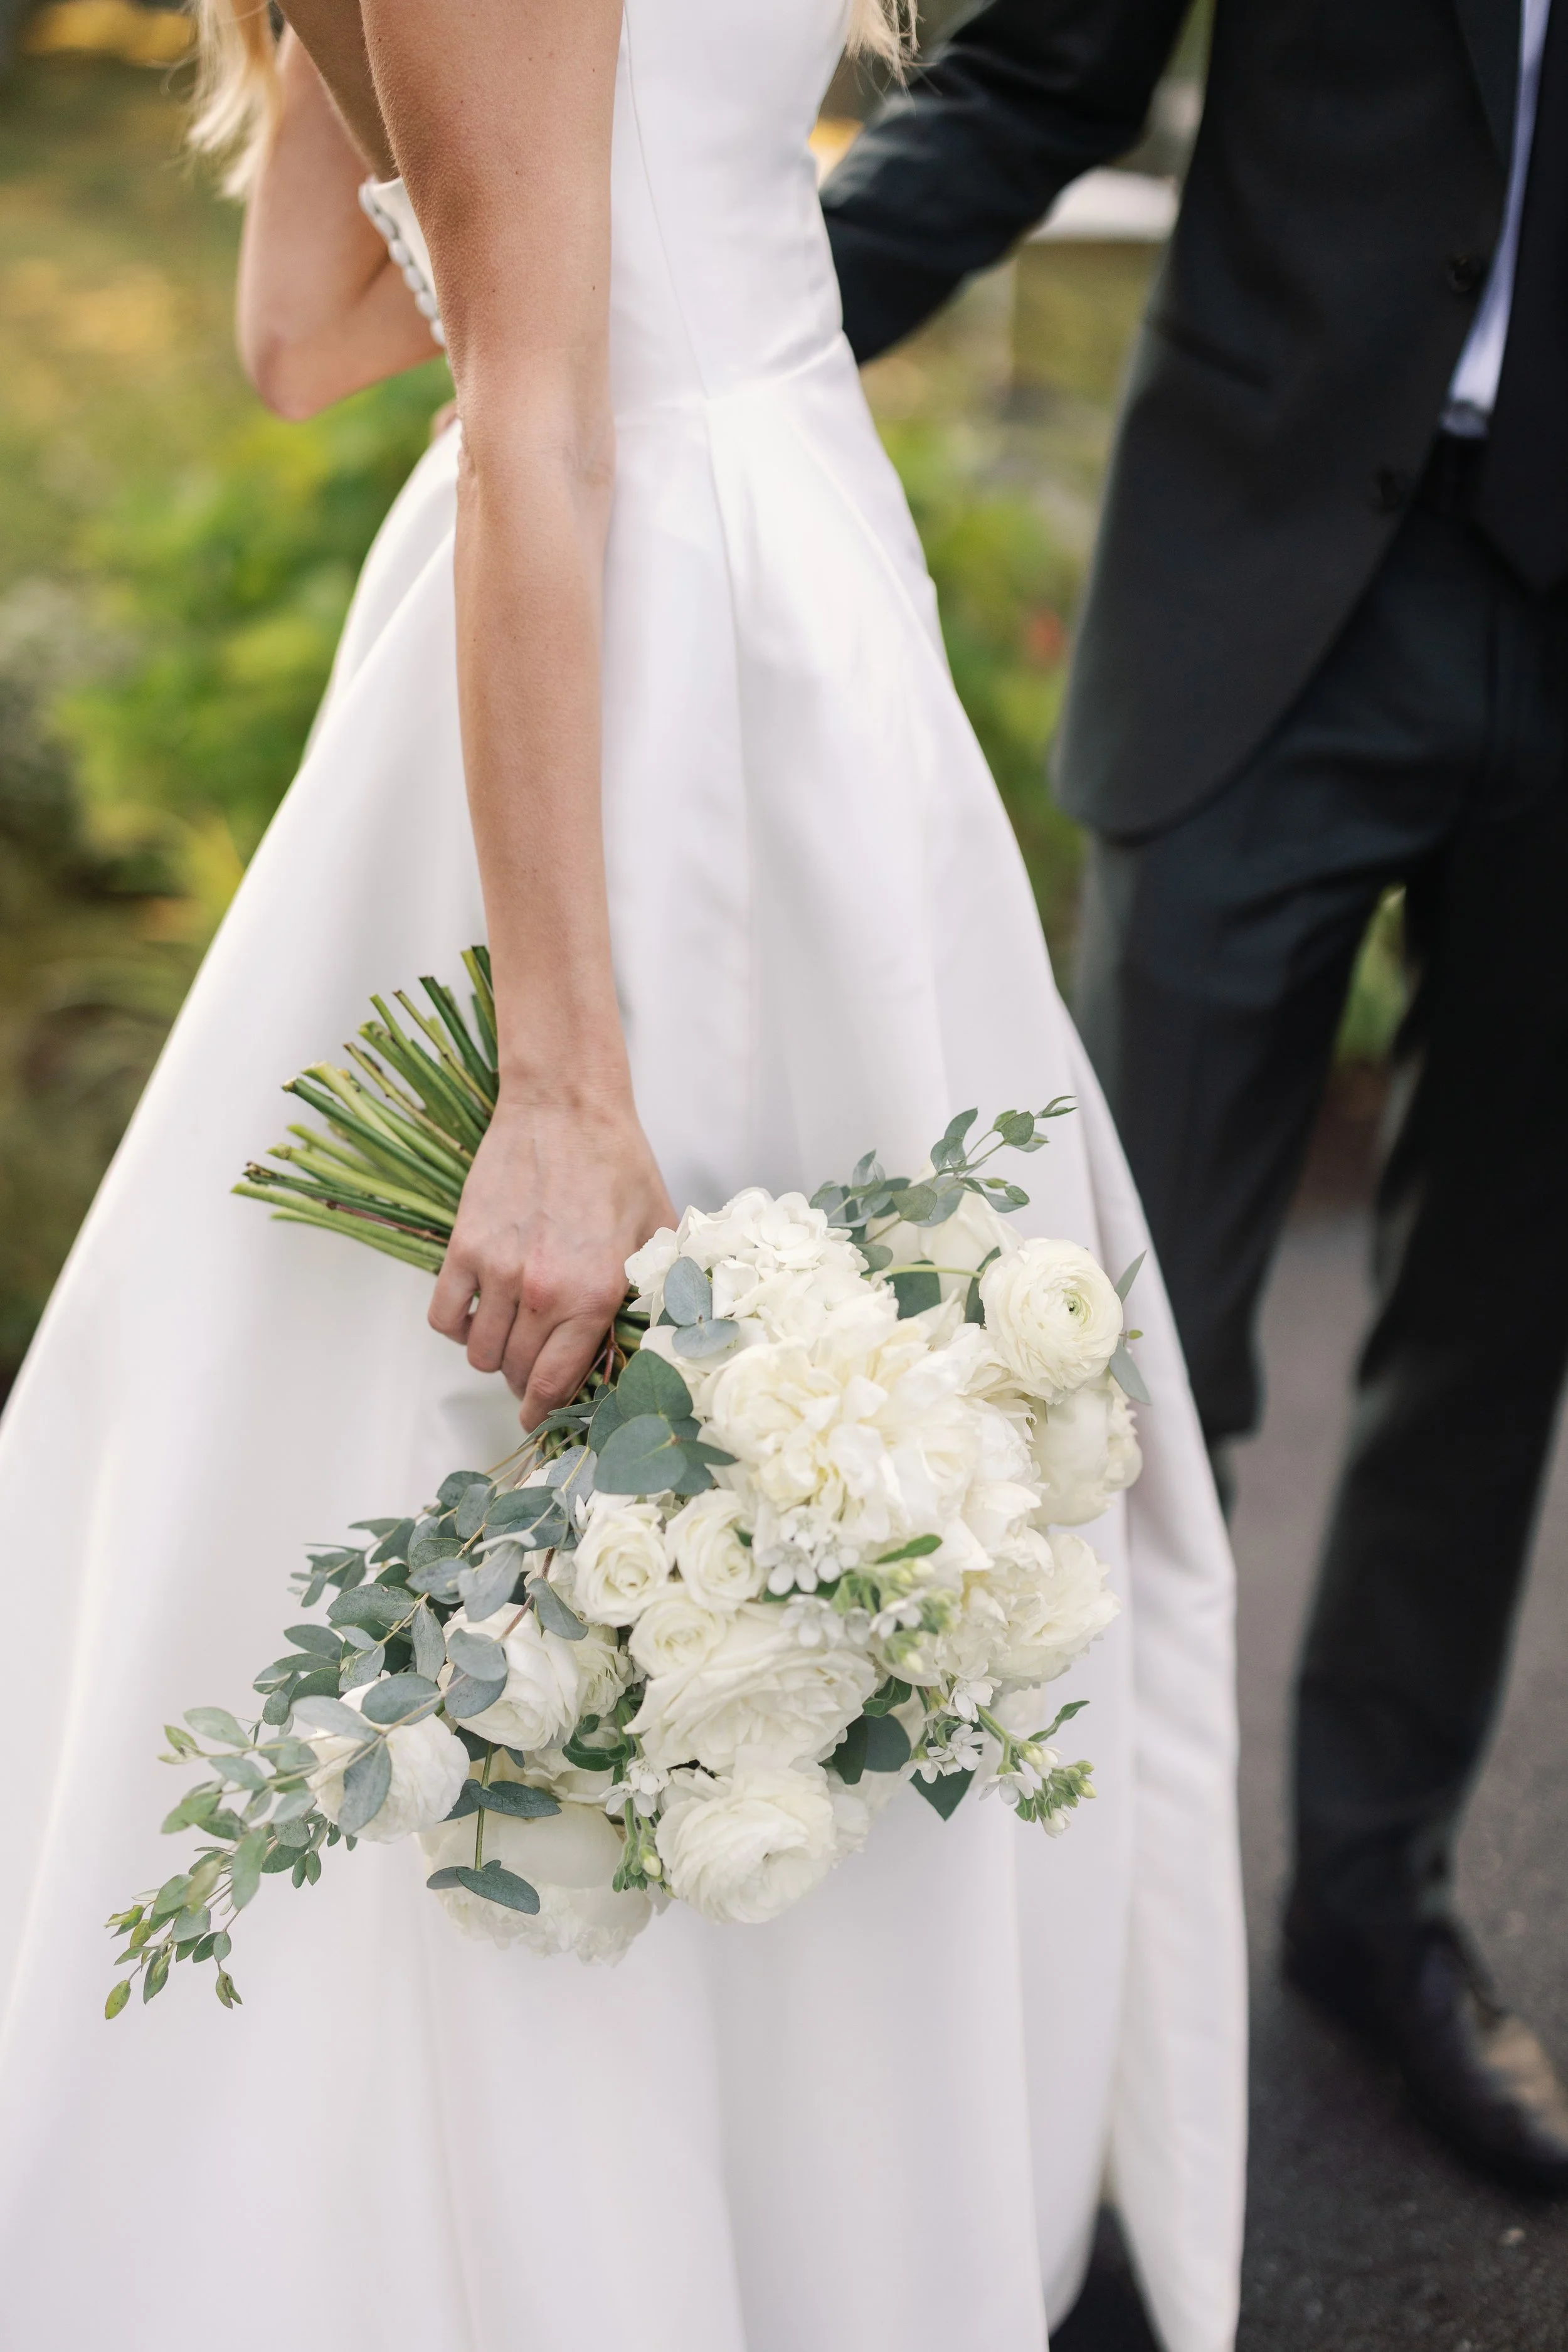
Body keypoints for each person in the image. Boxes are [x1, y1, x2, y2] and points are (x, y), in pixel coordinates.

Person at [0, 3, 1246, 2347]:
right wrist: (563, 1083)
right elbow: (533, 418)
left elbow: (300, 337)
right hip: (688, 659)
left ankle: (826, 2195)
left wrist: (497, 218)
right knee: (643, 1478)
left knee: (840, 1481)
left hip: (754, 602)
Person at [822, 0, 1568, 2193]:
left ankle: (1372, 1913)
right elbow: (1042, 73)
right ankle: (1038, 1978)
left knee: (1495, 1330)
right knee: (1104, 1343)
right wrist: (701, 369)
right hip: (1262, 591)